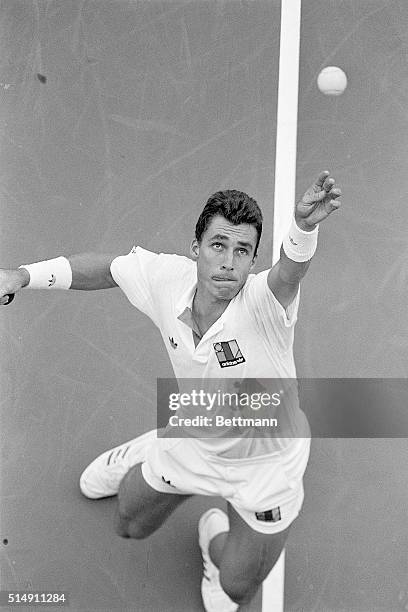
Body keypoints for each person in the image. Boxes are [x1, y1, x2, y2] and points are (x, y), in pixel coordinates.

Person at [0, 171, 341, 611]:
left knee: (237, 590)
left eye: (243, 251)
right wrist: (23, 275)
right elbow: (106, 269)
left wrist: (304, 227)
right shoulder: (166, 280)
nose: (228, 261)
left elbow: (290, 273)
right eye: (218, 244)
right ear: (196, 248)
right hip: (195, 434)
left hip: (267, 468)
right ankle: (150, 446)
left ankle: (212, 536)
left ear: (253, 262)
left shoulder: (265, 306)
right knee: (129, 525)